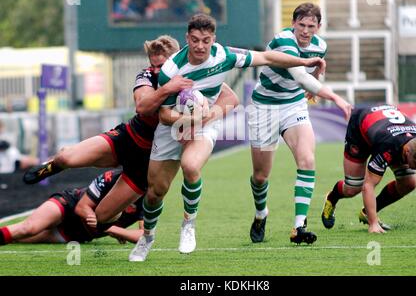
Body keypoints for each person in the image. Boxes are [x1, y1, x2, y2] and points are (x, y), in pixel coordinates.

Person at [128, 13, 333, 262]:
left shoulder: (223, 55)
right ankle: (147, 237)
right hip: (174, 124)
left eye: (206, 40)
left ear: (213, 38)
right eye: (195, 40)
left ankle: (188, 225)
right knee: (155, 192)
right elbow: (162, 114)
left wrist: (304, 61)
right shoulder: (172, 69)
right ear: (187, 39)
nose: (200, 46)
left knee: (191, 166)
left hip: (204, 123)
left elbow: (267, 57)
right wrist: (189, 119)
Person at [23, 35, 192, 225]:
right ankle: (50, 167)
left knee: (102, 217)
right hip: (127, 138)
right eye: (153, 65)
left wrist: (209, 115)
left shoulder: (193, 78)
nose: (156, 70)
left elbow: (228, 97)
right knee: (65, 158)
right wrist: (168, 88)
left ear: (175, 61)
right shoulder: (146, 75)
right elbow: (143, 106)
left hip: (149, 161)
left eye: (161, 66)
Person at [247, 2, 352, 246]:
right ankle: (261, 213)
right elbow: (300, 75)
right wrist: (335, 96)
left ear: (318, 27)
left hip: (293, 105)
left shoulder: (320, 45)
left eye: (311, 26)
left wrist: (315, 80)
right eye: (301, 25)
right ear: (293, 23)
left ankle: (299, 227)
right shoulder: (284, 40)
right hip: (264, 106)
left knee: (307, 160)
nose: (305, 31)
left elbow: (310, 77)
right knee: (261, 176)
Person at [320, 104, 416, 233]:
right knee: (353, 188)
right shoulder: (388, 146)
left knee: (409, 183)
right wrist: (373, 224)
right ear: (407, 152)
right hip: (361, 127)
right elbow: (368, 185)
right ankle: (332, 197)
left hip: (388, 132)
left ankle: (367, 212)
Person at [0, 169, 144, 245]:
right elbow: (81, 208)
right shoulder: (111, 177)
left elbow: (144, 237)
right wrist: (104, 225)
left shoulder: (151, 199)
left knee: (20, 238)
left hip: (76, 233)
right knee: (29, 228)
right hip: (68, 205)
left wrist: (113, 229)